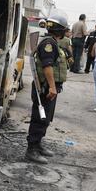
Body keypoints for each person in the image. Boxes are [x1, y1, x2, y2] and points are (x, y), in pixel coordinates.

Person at [26, 14, 69, 164]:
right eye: (64, 29)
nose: (66, 32)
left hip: (50, 87)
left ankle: (38, 145)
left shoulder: (53, 43)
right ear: (59, 30)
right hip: (45, 88)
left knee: (45, 118)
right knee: (39, 118)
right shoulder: (48, 44)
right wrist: (51, 86)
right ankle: (31, 150)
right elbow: (47, 66)